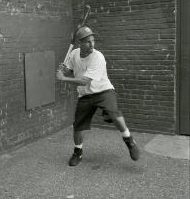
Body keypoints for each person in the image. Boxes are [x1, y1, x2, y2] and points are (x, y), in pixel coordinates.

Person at [56, 26, 140, 166]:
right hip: (85, 95)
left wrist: (63, 79)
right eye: (88, 41)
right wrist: (64, 71)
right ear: (80, 43)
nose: (92, 44)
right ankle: (78, 152)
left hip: (103, 91)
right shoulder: (74, 54)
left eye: (93, 41)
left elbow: (85, 80)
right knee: (78, 126)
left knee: (113, 113)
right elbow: (70, 71)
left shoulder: (98, 57)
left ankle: (128, 139)